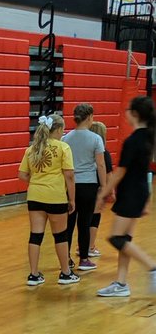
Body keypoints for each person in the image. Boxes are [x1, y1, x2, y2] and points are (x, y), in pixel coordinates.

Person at [96, 96, 156, 298]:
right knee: (126, 238)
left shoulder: (133, 141)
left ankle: (152, 267)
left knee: (116, 238)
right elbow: (145, 171)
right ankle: (121, 283)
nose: (126, 113)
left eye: (128, 110)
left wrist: (102, 193)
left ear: (135, 114)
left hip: (130, 193)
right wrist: (147, 200)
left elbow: (120, 172)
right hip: (139, 192)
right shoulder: (148, 137)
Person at [18, 112, 80, 286]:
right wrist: (72, 199)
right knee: (60, 236)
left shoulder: (32, 149)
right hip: (56, 197)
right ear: (58, 129)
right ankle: (65, 273)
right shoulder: (63, 148)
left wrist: (37, 182)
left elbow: (22, 174)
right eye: (63, 129)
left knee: (35, 236)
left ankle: (33, 275)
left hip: (35, 197)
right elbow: (69, 175)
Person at [63, 103, 107, 272]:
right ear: (89, 117)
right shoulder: (96, 139)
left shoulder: (65, 138)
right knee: (85, 223)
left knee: (69, 223)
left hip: (70, 186)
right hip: (89, 185)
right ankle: (84, 259)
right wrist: (104, 186)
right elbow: (101, 165)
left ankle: (65, 257)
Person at [87, 120, 113, 257]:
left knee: (85, 219)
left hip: (84, 186)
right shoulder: (103, 152)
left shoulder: (86, 151)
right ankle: (90, 247)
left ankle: (82, 246)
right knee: (94, 218)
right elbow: (108, 173)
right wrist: (110, 191)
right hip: (97, 188)